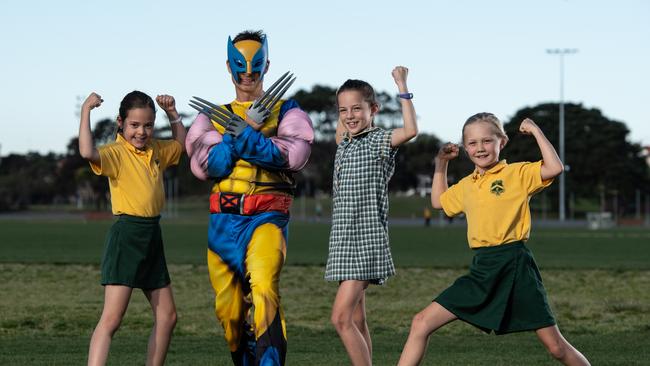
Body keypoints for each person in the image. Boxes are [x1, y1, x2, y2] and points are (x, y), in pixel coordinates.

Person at [397, 113, 590, 365]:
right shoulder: (467, 185)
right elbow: (438, 201)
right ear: (466, 148)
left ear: (502, 142)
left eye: (487, 141)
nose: (480, 148)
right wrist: (441, 163)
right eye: (473, 143)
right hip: (482, 268)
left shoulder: (517, 173)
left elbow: (554, 167)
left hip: (515, 266)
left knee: (556, 348)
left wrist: (535, 130)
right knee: (421, 322)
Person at [185, 30, 314, 365]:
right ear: (228, 65)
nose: (247, 71)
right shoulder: (210, 114)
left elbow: (292, 157)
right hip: (222, 224)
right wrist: (242, 130)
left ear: (266, 64)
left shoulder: (288, 109)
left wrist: (241, 135)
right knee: (229, 313)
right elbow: (206, 166)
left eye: (255, 63)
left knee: (264, 288)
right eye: (239, 63)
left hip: (266, 219)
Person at [79, 90, 187, 366]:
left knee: (168, 317)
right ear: (121, 123)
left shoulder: (157, 150)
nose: (141, 132)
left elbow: (181, 145)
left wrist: (172, 113)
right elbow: (86, 151)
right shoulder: (115, 153)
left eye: (148, 125)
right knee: (112, 320)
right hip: (127, 236)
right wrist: (86, 111)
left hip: (152, 236)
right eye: (134, 125)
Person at [325, 66, 418, 366]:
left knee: (340, 319)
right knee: (356, 319)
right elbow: (343, 124)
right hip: (342, 242)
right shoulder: (344, 144)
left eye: (357, 108)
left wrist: (401, 86)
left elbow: (411, 131)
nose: (349, 115)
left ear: (374, 109)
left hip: (365, 242)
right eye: (343, 110)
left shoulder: (379, 141)